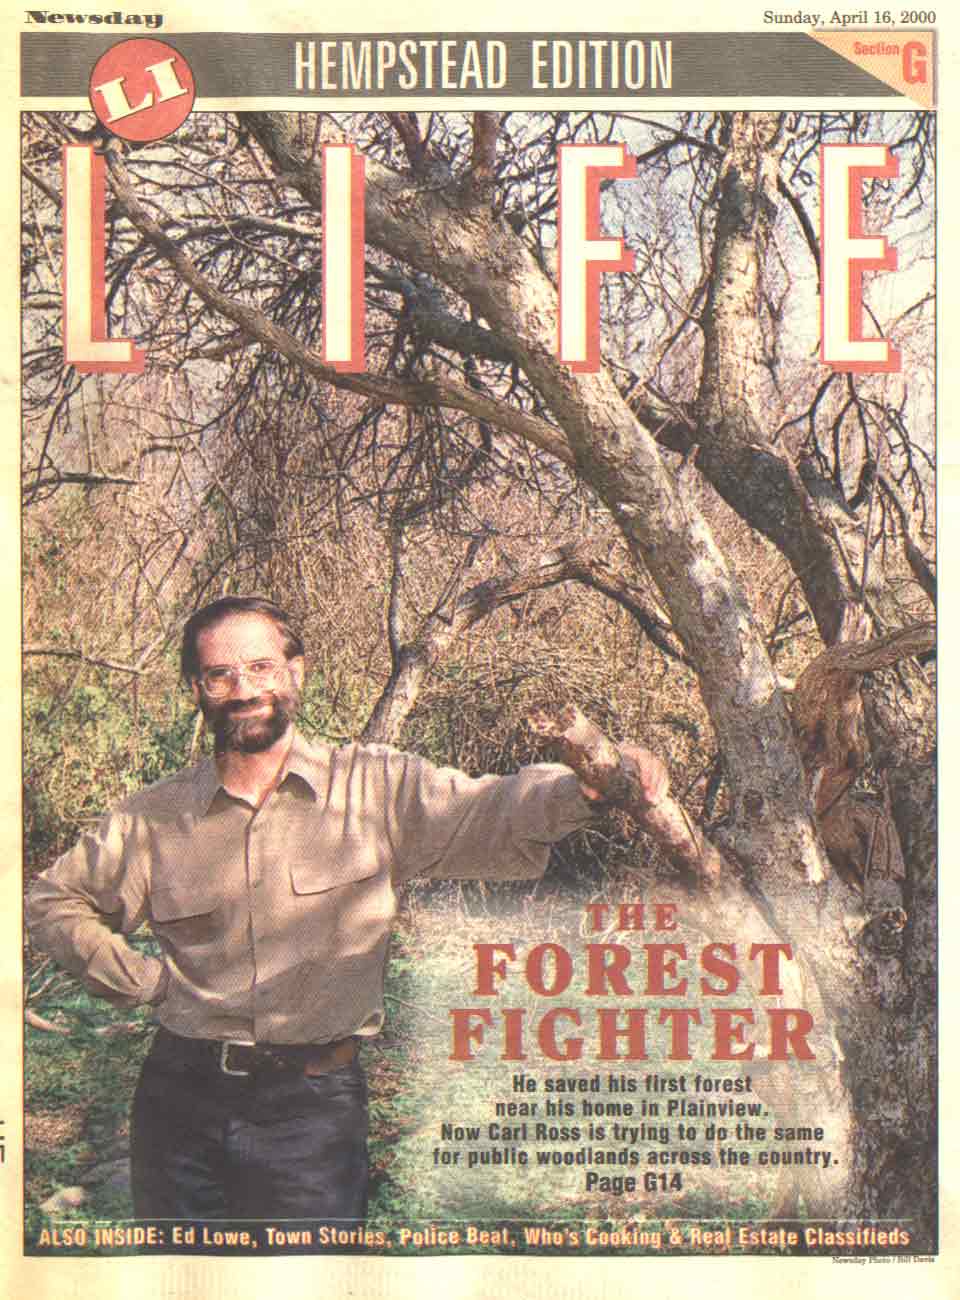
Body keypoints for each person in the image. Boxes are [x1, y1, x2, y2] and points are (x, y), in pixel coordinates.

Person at [26, 595, 603, 1224]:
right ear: (197, 688)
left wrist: (588, 787)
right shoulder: (155, 817)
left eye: (262, 668)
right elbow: (55, 900)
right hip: (179, 1106)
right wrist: (139, 979)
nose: (243, 690)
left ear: (296, 671)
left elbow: (496, 810)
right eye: (221, 675)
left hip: (312, 1117)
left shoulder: (374, 788)